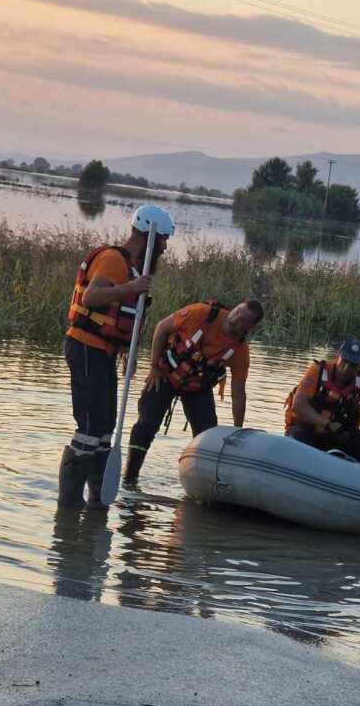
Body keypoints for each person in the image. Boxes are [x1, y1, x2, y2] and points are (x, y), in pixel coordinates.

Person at [59, 203, 174, 509]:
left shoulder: (134, 269)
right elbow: (92, 297)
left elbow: (122, 317)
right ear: (150, 236)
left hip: (104, 352)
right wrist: (130, 288)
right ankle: (69, 506)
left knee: (105, 428)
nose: (164, 247)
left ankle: (96, 501)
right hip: (85, 347)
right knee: (88, 427)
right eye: (162, 240)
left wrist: (128, 350)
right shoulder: (113, 261)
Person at [122, 297, 264, 485]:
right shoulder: (200, 313)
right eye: (237, 311)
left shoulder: (239, 351)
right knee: (146, 424)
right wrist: (154, 366)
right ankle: (130, 478)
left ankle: (201, 484)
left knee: (207, 435)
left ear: (249, 328)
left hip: (198, 388)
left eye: (243, 319)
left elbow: (238, 394)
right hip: (165, 375)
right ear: (234, 307)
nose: (235, 318)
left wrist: (238, 429)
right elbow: (162, 327)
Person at [285, 337, 360, 462]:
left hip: (337, 439)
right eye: (344, 361)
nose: (346, 368)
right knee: (298, 439)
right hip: (305, 431)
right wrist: (327, 424)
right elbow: (298, 405)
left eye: (353, 365)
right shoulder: (317, 371)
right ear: (338, 356)